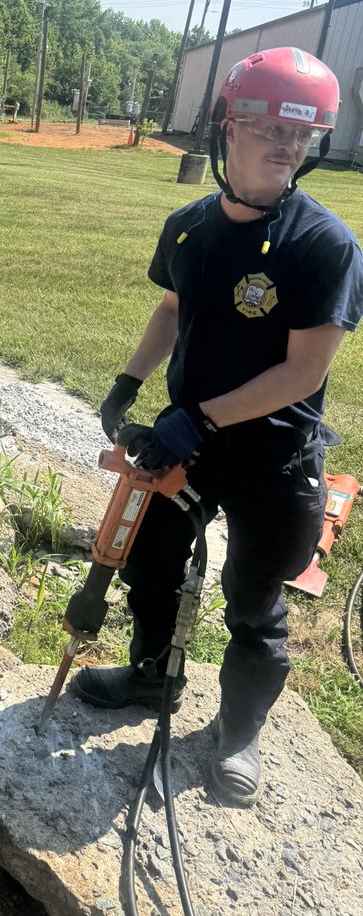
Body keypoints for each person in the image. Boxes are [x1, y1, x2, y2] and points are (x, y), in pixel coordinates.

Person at [71, 47, 363, 805]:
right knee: (153, 565)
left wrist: (193, 419)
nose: (287, 147)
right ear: (228, 127)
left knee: (254, 598)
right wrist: (128, 382)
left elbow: (303, 374)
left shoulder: (325, 246)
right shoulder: (188, 227)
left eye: (303, 134)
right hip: (184, 444)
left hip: (271, 455)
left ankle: (239, 731)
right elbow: (175, 309)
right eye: (269, 125)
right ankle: (148, 678)